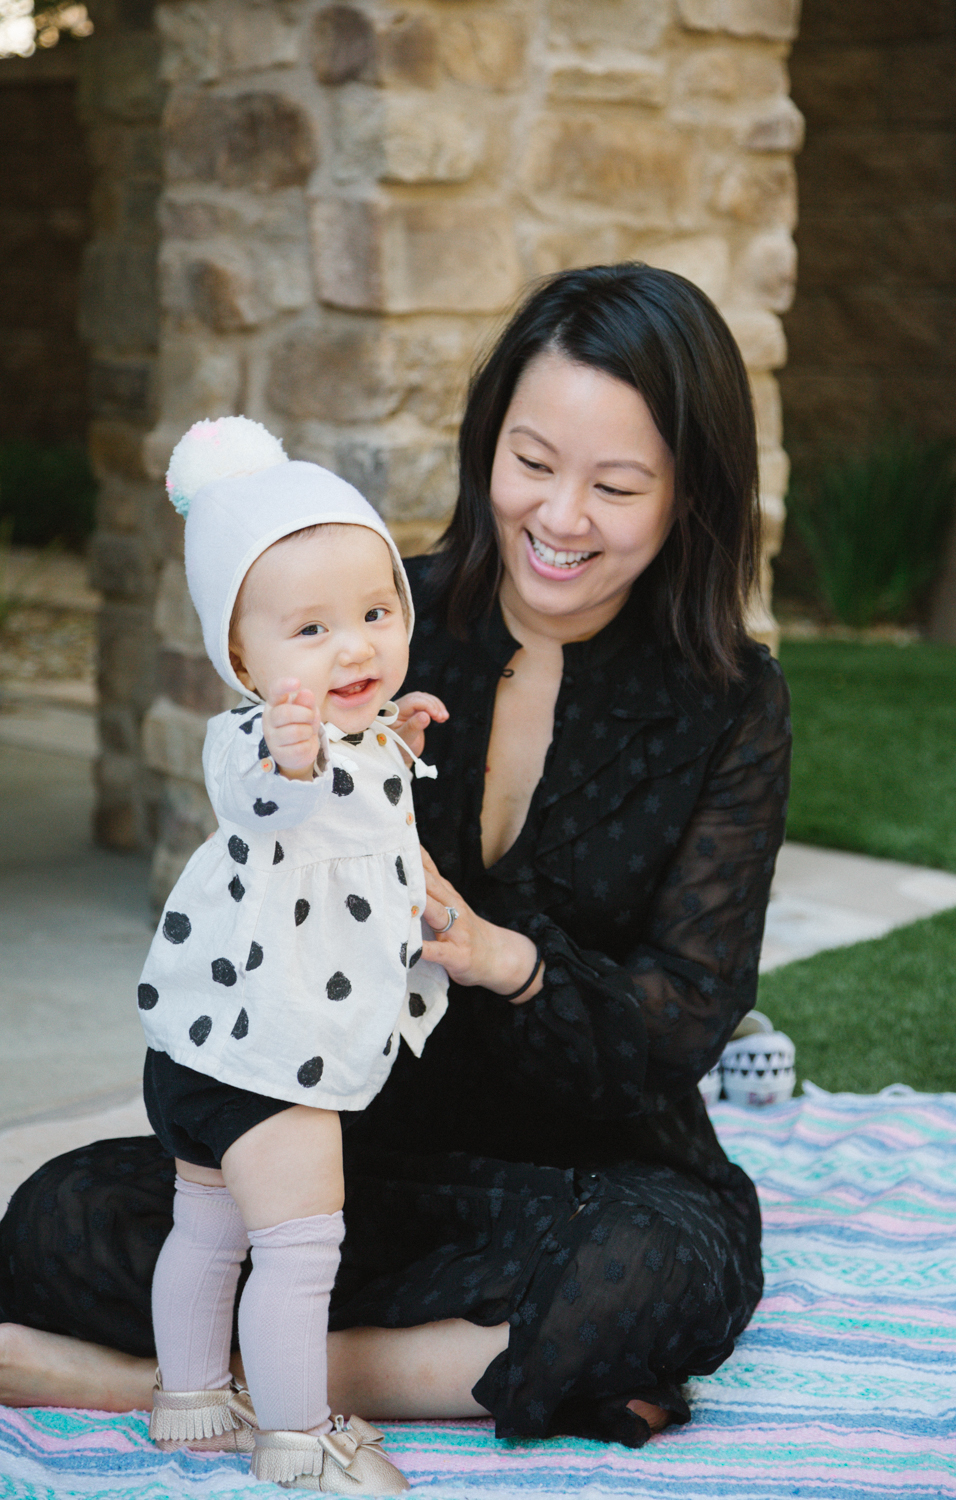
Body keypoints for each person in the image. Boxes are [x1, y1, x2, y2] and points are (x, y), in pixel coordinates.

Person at [0, 263, 791, 1451]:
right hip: (340, 1137)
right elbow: (258, 825)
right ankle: (436, 1370)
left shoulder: (729, 704)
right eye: (532, 463)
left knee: (662, 1275)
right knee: (60, 1215)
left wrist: (504, 959)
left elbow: (683, 1019)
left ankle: (173, 1380)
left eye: (616, 486)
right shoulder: (377, 623)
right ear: (487, 445)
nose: (560, 518)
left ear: (690, 496)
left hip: (583, 1168)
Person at [135, 417, 455, 1491]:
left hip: (202, 1050)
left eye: (375, 613)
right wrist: (294, 757)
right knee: (300, 1250)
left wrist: (397, 735)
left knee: (207, 1230)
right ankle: (298, 1436)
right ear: (240, 658)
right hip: (275, 1061)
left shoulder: (354, 732)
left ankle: (189, 1397)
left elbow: (355, 800)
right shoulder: (258, 746)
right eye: (311, 629)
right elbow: (275, 802)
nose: (354, 647)